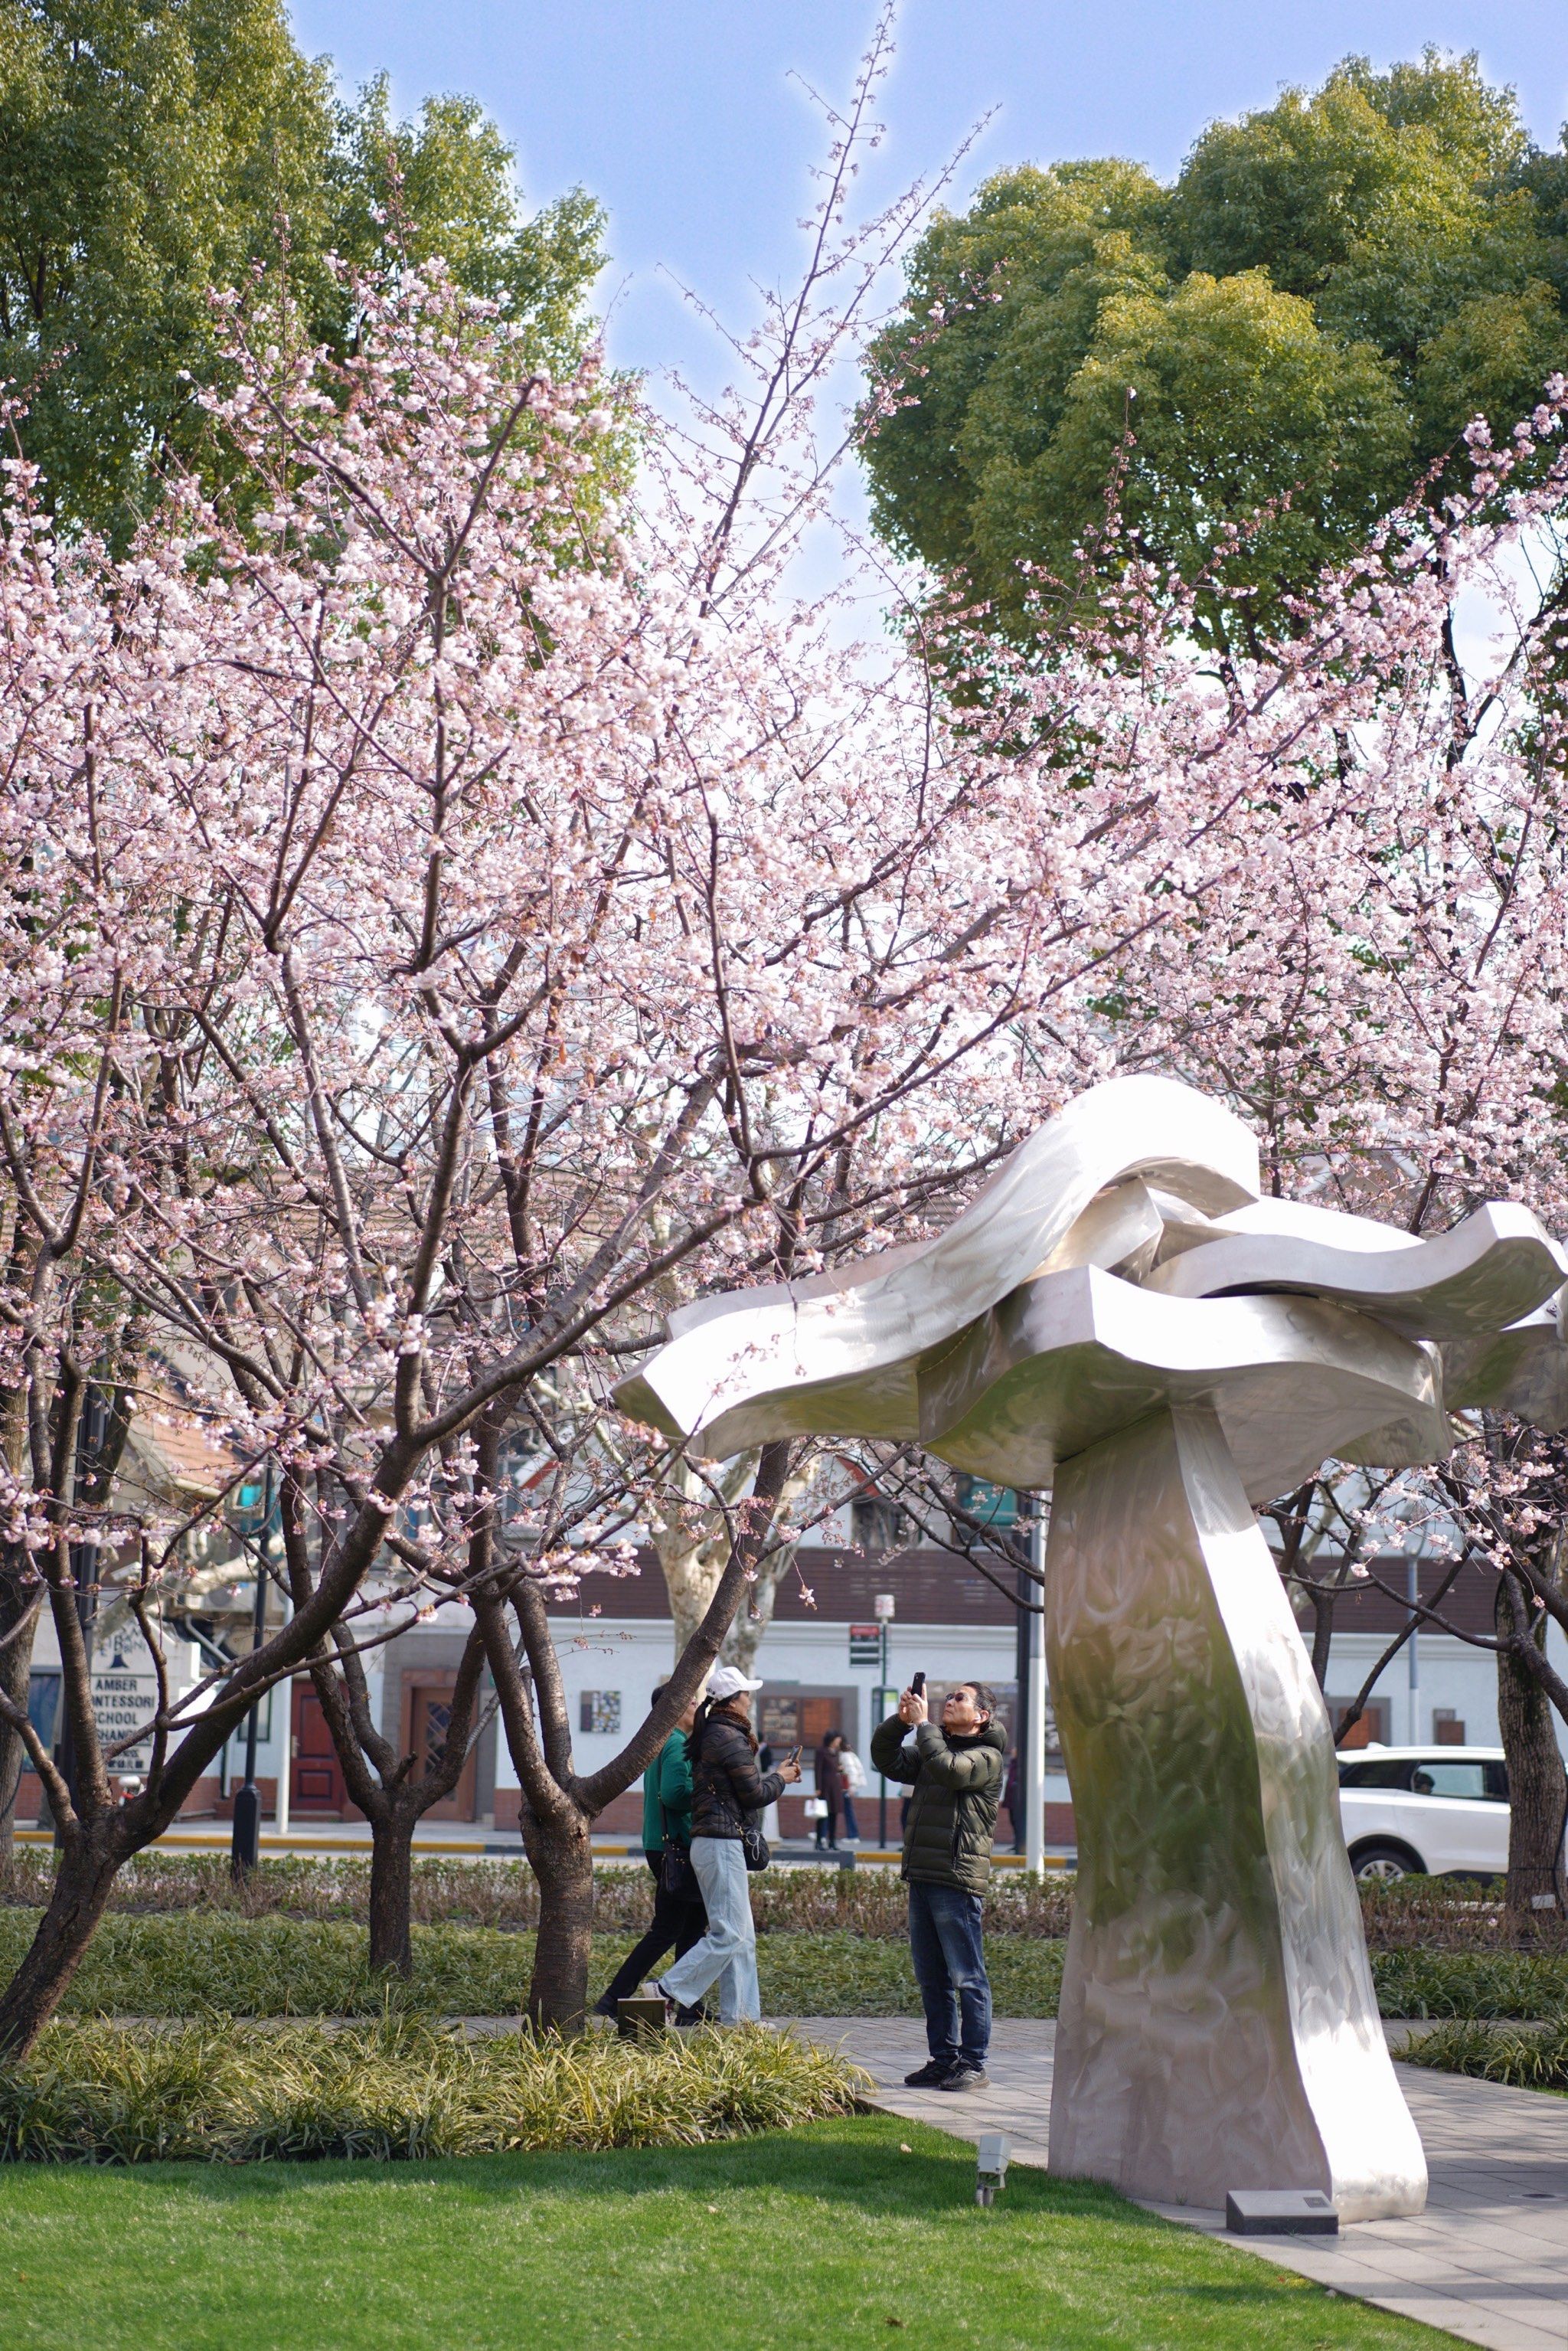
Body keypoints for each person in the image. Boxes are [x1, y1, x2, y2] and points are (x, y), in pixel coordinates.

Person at [871, 1679, 1006, 2091]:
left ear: (981, 1716)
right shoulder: (934, 1749)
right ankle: (943, 2059)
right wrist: (901, 1721)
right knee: (932, 1978)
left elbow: (951, 1772)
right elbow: (886, 1759)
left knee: (967, 1977)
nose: (950, 1701)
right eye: (948, 1696)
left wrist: (925, 1723)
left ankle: (973, 2062)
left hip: (956, 1881)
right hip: (924, 1877)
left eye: (959, 1698)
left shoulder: (987, 1756)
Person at [653, 1665, 801, 2024]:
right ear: (735, 1701)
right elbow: (753, 1794)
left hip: (718, 1842)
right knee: (730, 1933)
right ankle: (666, 1990)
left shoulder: (716, 1732)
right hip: (720, 1844)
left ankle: (742, 2020)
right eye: (747, 1694)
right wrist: (780, 1777)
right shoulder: (728, 1737)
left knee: (742, 1937)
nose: (751, 1700)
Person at [592, 1685, 707, 2020]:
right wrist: (707, 1791)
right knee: (671, 1930)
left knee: (689, 1928)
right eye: (690, 1700)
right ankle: (615, 1998)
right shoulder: (675, 1744)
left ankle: (687, 2005)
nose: (696, 1704)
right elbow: (673, 1795)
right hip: (677, 1847)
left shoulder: (662, 1742)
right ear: (670, 1709)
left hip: (662, 1844)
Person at [812, 1731, 843, 1849]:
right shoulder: (821, 1751)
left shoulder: (836, 1752)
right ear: (832, 1740)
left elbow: (836, 1767)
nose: (838, 1743)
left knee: (833, 1814)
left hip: (835, 1787)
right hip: (825, 1787)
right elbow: (818, 1770)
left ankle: (832, 1841)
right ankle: (819, 1841)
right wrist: (818, 1788)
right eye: (837, 1740)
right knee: (823, 1815)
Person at [835, 1733, 865, 1843]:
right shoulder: (846, 1753)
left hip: (845, 1788)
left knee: (844, 1811)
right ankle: (853, 1835)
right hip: (846, 1788)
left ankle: (853, 1835)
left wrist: (852, 1787)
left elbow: (851, 1772)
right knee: (847, 1811)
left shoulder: (845, 1755)